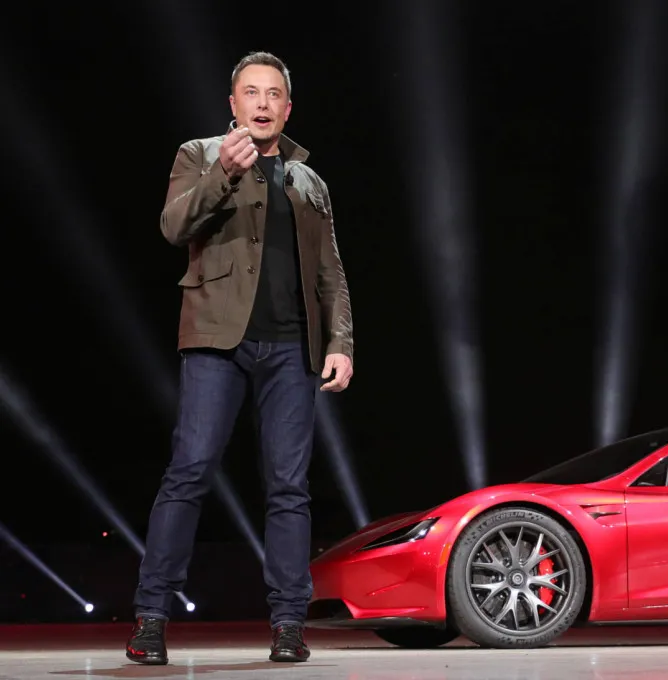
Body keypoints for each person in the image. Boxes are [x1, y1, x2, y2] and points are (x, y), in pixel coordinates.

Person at [125, 51, 354, 665]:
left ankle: (289, 624)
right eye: (251, 92)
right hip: (216, 339)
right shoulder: (199, 155)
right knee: (191, 468)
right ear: (233, 104)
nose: (262, 103)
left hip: (293, 346)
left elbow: (330, 271)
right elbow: (174, 227)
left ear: (287, 107)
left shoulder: (308, 181)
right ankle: (151, 617)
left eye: (273, 94)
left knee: (289, 486)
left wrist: (340, 343)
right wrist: (223, 172)